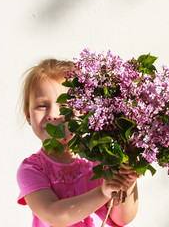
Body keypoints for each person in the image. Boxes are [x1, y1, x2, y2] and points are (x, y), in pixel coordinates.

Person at [17, 59, 141, 227]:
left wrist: (127, 182)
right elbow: (54, 215)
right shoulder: (32, 169)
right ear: (28, 115)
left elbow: (122, 218)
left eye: (65, 105)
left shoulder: (102, 157)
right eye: (41, 105)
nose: (53, 114)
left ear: (83, 111)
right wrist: (102, 193)